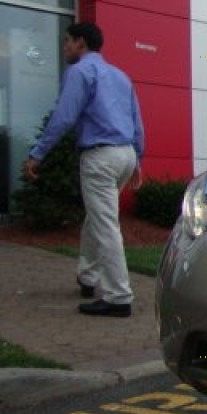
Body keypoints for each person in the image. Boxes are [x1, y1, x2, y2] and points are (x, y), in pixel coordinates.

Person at [22, 22, 145, 318]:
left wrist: (37, 154)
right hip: (124, 154)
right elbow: (136, 121)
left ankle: (119, 297)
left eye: (68, 41)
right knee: (98, 217)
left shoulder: (79, 73)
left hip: (100, 156)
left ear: (81, 43)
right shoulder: (120, 76)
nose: (64, 47)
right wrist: (137, 159)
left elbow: (64, 117)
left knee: (104, 224)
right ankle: (88, 276)